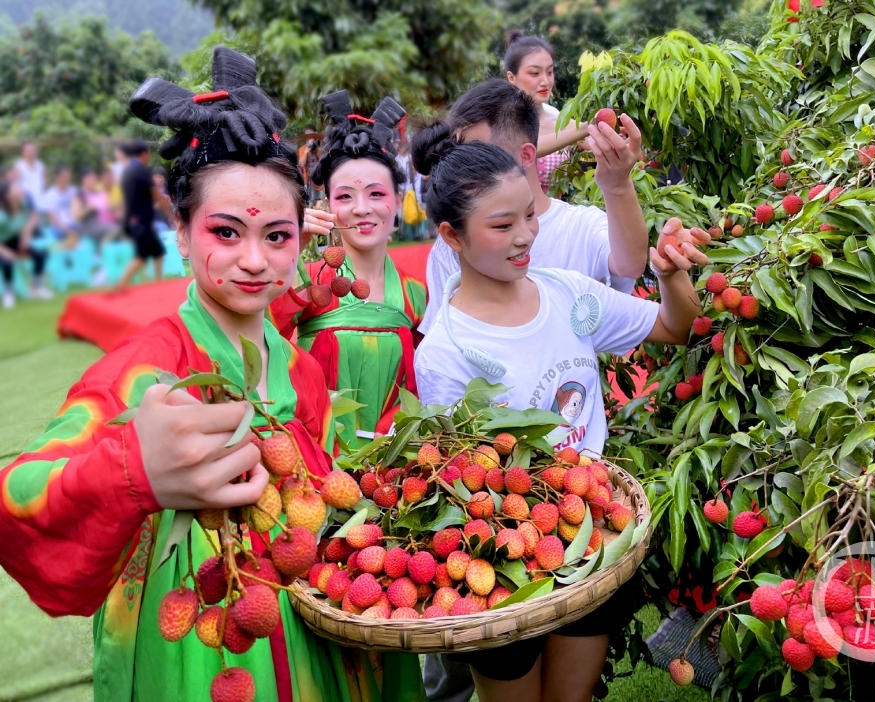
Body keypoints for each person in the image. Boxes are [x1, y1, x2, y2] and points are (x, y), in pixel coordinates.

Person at [0, 47, 424, 702]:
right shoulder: (148, 369)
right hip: (200, 644)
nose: (255, 261)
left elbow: (323, 485)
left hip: (313, 620)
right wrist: (130, 472)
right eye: (226, 233)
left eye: (277, 237)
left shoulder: (299, 369)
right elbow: (21, 494)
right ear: (181, 229)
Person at [411, 134, 707, 702]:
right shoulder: (447, 349)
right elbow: (469, 477)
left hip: (591, 532)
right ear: (451, 236)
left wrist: (671, 275)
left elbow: (675, 328)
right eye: (502, 226)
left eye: (528, 215)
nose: (525, 236)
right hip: (507, 559)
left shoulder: (567, 294)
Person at [419, 79, 647, 337]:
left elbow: (630, 265)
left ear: (525, 156)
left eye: (479, 153)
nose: (465, 165)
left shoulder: (578, 226)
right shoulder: (455, 241)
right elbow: (441, 337)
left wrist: (617, 186)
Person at [270, 90, 427, 451]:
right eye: (344, 197)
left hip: (394, 469)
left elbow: (428, 382)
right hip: (318, 462)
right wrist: (287, 252)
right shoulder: (307, 281)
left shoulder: (417, 294)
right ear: (326, 205)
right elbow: (259, 339)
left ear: (397, 201)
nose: (361, 209)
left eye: (376, 194)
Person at [504, 32, 589, 190]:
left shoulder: (557, 119)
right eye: (534, 73)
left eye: (550, 72)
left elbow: (598, 143)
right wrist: (587, 128)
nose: (545, 81)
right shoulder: (500, 121)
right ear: (511, 78)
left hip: (558, 211)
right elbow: (526, 149)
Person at [116, 140, 172, 289]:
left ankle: (160, 283)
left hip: (135, 221)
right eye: (148, 153)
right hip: (140, 222)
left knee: (158, 251)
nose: (149, 156)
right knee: (141, 256)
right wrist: (170, 214)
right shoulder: (141, 171)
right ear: (143, 153)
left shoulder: (127, 171)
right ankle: (121, 284)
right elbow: (158, 196)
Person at [0, 179, 51, 308]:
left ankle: (36, 288)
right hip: (2, 244)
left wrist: (26, 235)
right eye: (15, 188)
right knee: (6, 262)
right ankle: (9, 292)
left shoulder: (24, 204)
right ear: (7, 195)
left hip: (17, 240)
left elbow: (33, 218)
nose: (20, 189)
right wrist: (5, 251)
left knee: (42, 254)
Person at [72, 169, 119, 244]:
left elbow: (111, 207)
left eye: (94, 178)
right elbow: (76, 216)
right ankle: (102, 249)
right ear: (84, 180)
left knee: (121, 227)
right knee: (115, 229)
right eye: (91, 178)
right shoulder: (79, 195)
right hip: (88, 226)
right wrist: (87, 208)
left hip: (102, 223)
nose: (93, 180)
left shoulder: (99, 192)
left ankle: (104, 246)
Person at [41, 165, 80, 246]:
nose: (68, 179)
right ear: (57, 177)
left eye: (69, 176)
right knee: (64, 237)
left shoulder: (74, 191)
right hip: (59, 227)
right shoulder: (50, 195)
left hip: (74, 224)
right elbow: (53, 218)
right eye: (65, 176)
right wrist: (68, 231)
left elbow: (78, 211)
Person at [14, 141, 46, 207]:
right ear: (23, 152)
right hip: (26, 201)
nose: (31, 152)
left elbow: (44, 178)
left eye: (33, 150)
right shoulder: (19, 166)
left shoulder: (40, 164)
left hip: (40, 198)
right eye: (29, 150)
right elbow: (15, 183)